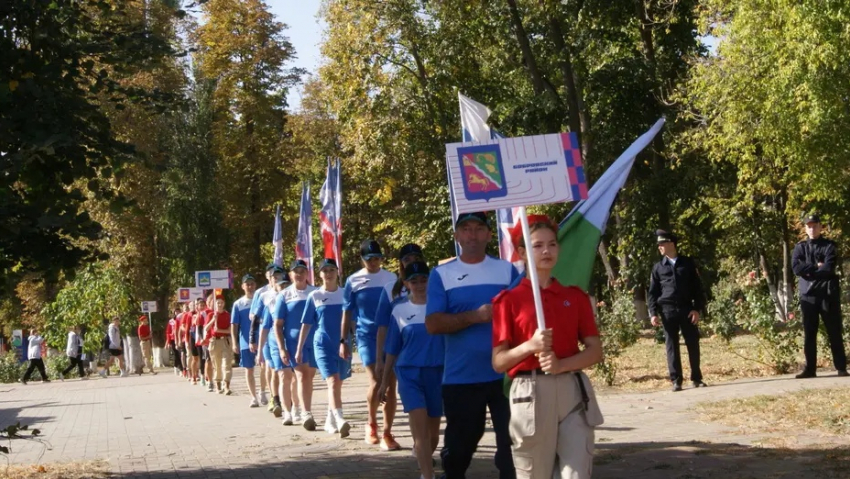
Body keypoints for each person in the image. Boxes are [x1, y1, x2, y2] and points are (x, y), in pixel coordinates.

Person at [492, 215, 604, 479]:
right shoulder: (508, 301)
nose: (546, 251)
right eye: (537, 245)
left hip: (572, 391)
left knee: (577, 474)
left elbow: (595, 350)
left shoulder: (574, 297)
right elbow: (498, 361)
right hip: (529, 392)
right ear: (522, 253)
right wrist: (530, 346)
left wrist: (562, 364)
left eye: (552, 244)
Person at [425, 211, 519, 479]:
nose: (473, 235)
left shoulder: (506, 270)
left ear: (489, 235)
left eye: (479, 229)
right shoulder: (442, 274)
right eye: (466, 229)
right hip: (461, 378)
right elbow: (433, 324)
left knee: (511, 449)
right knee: (459, 451)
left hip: (504, 376)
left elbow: (520, 315)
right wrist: (475, 316)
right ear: (457, 235)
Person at [379, 261, 444, 479]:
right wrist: (384, 382)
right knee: (420, 429)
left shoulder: (440, 306)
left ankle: (424, 457)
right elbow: (392, 349)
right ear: (406, 283)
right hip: (409, 374)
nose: (419, 284)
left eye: (423, 279)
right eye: (413, 280)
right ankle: (428, 475)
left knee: (433, 433)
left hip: (437, 373)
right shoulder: (399, 310)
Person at [341, 239, 399, 449]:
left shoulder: (392, 278)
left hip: (391, 335)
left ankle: (387, 433)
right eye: (369, 259)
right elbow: (346, 312)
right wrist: (343, 340)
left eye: (377, 258)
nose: (374, 263)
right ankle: (371, 423)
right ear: (362, 259)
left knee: (391, 385)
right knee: (376, 379)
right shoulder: (353, 280)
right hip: (366, 336)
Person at [374, 243, 425, 446]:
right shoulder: (390, 289)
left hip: (429, 351)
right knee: (411, 402)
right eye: (407, 260)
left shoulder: (433, 283)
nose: (411, 262)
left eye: (415, 258)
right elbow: (383, 327)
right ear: (400, 264)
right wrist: (380, 358)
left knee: (429, 407)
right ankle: (398, 436)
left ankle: (423, 444)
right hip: (402, 355)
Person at [296, 258, 352, 438]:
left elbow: (354, 320)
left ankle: (330, 419)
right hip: (322, 344)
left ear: (337, 272)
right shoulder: (315, 296)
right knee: (333, 381)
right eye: (325, 271)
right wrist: (298, 349)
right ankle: (340, 418)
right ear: (319, 274)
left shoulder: (346, 294)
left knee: (338, 383)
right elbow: (306, 324)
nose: (328, 274)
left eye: (331, 270)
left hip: (343, 343)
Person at [648, 229, 707, 391]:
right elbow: (652, 293)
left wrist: (696, 309)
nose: (659, 247)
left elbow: (698, 289)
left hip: (687, 309)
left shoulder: (687, 263)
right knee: (671, 346)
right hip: (667, 312)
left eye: (662, 244)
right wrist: (653, 313)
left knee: (693, 343)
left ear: (671, 244)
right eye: (658, 244)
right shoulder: (658, 268)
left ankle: (696, 378)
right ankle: (676, 380)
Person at [791, 213, 848, 378]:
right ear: (805, 228)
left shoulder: (829, 246)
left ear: (820, 226)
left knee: (834, 331)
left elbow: (828, 268)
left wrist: (809, 270)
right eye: (808, 226)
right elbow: (796, 269)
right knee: (809, 333)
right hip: (808, 296)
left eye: (814, 225)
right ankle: (810, 369)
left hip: (827, 295)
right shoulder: (800, 247)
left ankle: (841, 367)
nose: (812, 228)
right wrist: (816, 266)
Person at [275, 259, 319, 431]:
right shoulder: (284, 295)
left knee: (309, 376)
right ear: (291, 275)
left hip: (314, 342)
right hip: (294, 343)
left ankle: (300, 407)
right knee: (301, 376)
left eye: (302, 271)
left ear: (307, 273)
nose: (299, 274)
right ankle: (306, 412)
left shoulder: (315, 292)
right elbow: (278, 325)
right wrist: (282, 348)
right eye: (296, 272)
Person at [254, 266, 285, 412]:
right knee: (272, 368)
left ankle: (287, 399)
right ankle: (275, 398)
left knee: (284, 371)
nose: (277, 279)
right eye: (274, 277)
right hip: (268, 336)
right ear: (270, 279)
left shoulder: (288, 293)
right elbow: (255, 318)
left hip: (284, 337)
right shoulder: (263, 295)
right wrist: (253, 341)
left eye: (279, 276)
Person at [259, 275, 289, 419]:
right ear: (275, 287)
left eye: (285, 286)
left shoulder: (293, 301)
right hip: (273, 343)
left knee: (291, 375)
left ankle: (290, 402)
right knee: (277, 372)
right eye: (280, 286)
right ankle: (276, 399)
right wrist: (259, 349)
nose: (283, 288)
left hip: (291, 343)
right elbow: (262, 327)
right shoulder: (270, 303)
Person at [232, 273, 261, 407]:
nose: (249, 286)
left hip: (262, 339)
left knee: (265, 367)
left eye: (252, 284)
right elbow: (234, 324)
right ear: (243, 286)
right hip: (245, 342)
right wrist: (234, 342)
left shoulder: (261, 300)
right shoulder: (238, 304)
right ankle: (253, 397)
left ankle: (263, 391)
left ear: (255, 285)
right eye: (247, 284)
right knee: (249, 369)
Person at [206, 295, 235, 394]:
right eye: (218, 303)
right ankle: (218, 385)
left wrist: (220, 330)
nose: (220, 305)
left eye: (221, 303)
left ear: (224, 304)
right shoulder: (211, 315)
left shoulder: (227, 315)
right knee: (217, 364)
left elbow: (230, 330)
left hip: (225, 341)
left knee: (226, 364)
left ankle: (226, 386)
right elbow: (206, 329)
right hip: (214, 342)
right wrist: (213, 320)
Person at [166, 308, 184, 376]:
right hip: (173, 339)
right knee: (176, 354)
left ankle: (179, 367)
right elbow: (168, 332)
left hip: (181, 338)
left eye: (178, 311)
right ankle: (179, 368)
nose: (177, 313)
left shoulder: (181, 319)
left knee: (181, 354)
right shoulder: (171, 321)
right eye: (176, 312)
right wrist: (168, 342)